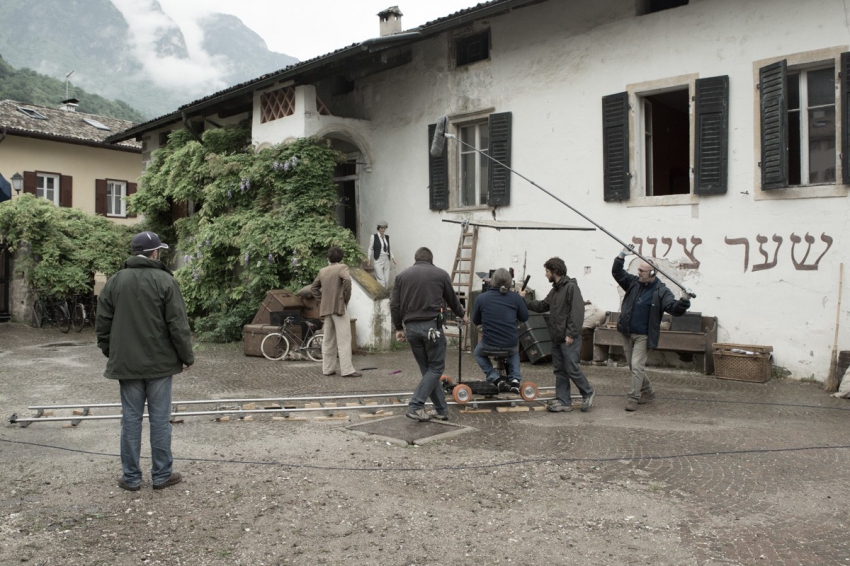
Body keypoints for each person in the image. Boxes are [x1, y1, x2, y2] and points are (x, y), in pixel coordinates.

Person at [96, 231, 194, 491]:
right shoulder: (166, 281)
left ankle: (131, 478)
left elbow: (102, 323)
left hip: (127, 364)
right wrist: (186, 356)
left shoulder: (115, 281)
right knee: (160, 420)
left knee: (130, 419)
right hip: (160, 364)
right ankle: (162, 475)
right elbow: (177, 324)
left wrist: (111, 352)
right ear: (154, 253)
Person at [391, 247, 467, 422]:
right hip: (432, 327)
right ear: (431, 259)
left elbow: (394, 305)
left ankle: (441, 410)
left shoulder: (402, 276)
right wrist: (462, 315)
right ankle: (416, 406)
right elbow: (452, 299)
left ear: (415, 259)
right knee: (436, 368)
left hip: (411, 328)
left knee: (428, 371)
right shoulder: (441, 274)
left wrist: (399, 328)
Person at [612, 247, 691, 411]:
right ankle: (648, 391)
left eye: (642, 271)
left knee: (637, 365)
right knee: (633, 366)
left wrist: (684, 300)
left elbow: (674, 309)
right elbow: (617, 273)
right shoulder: (633, 282)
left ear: (653, 273)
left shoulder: (661, 291)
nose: (639, 272)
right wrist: (621, 256)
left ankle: (633, 398)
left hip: (644, 335)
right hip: (627, 331)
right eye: (639, 269)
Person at [519, 257, 595, 413]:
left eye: (547, 271)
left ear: (555, 271)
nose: (546, 274)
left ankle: (588, 392)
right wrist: (523, 301)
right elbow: (542, 306)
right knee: (560, 370)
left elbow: (577, 312)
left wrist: (571, 334)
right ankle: (564, 401)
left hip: (568, 338)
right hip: (556, 338)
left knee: (571, 368)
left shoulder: (571, 288)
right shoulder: (554, 290)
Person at [472, 267, 529, 391]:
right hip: (509, 343)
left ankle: (495, 378)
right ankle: (515, 380)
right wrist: (521, 298)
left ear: (492, 281)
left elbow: (476, 321)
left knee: (477, 353)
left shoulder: (481, 298)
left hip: (489, 343)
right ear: (509, 282)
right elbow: (524, 317)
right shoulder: (515, 297)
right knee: (514, 352)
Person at [311, 246, 361, 377]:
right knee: (344, 339)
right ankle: (347, 370)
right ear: (341, 257)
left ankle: (328, 369)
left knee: (328, 340)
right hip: (339, 308)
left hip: (327, 309)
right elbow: (347, 280)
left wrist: (322, 300)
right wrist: (345, 297)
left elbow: (314, 287)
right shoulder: (342, 267)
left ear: (328, 257)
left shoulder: (323, 271)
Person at [366, 221, 396, 287]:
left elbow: (389, 248)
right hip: (378, 259)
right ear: (378, 228)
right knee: (381, 280)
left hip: (386, 259)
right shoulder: (374, 236)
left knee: (386, 280)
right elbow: (370, 248)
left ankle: (385, 291)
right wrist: (369, 258)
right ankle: (382, 292)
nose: (383, 230)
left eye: (384, 228)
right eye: (381, 228)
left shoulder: (387, 237)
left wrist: (393, 258)